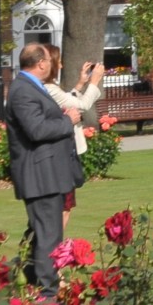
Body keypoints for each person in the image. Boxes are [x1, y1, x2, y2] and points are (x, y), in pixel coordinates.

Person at [5, 42, 83, 292]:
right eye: (49, 60)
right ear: (40, 63)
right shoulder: (23, 90)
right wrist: (67, 121)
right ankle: (48, 293)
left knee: (43, 234)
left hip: (49, 174)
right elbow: (36, 129)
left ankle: (28, 285)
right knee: (49, 236)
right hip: (41, 176)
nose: (53, 64)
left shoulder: (31, 87)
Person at [43, 44, 106, 233]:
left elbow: (68, 101)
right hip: (60, 155)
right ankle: (53, 246)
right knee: (64, 208)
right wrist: (94, 82)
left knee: (62, 207)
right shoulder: (48, 88)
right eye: (59, 62)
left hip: (59, 154)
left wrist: (80, 84)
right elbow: (82, 105)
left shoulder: (47, 88)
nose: (61, 66)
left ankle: (47, 244)